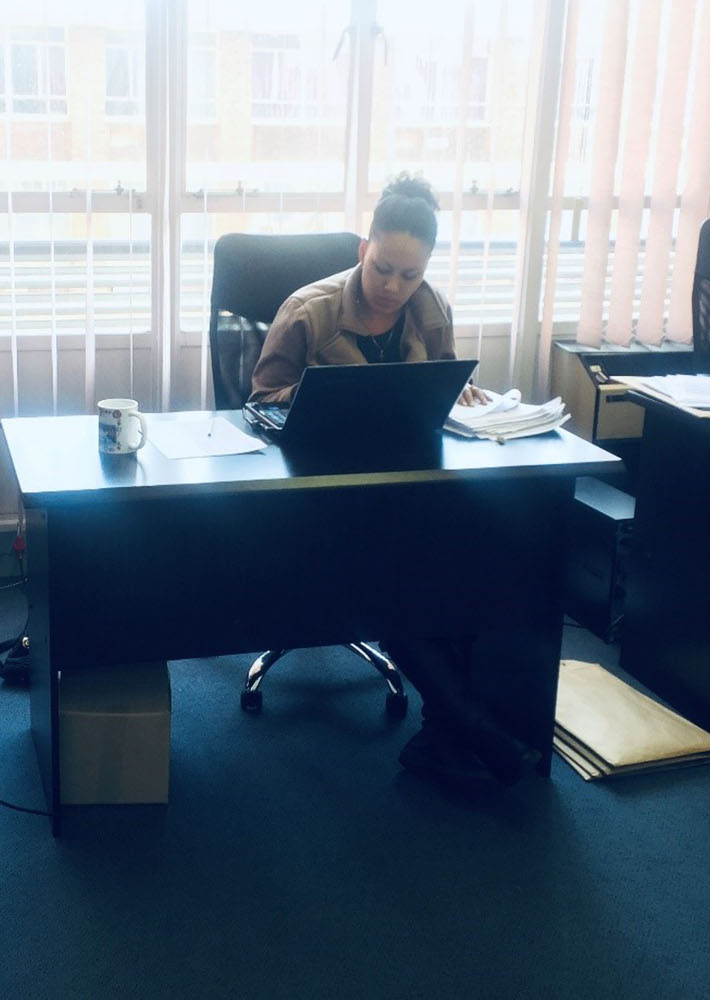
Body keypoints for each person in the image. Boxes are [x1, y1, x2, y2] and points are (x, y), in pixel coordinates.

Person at [249, 175, 538, 793]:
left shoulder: (431, 310)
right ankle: (468, 729)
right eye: (383, 268)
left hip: (408, 487)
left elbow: (439, 389)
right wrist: (319, 399)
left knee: (472, 552)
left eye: (410, 275)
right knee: (398, 569)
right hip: (320, 497)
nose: (393, 287)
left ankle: (446, 736)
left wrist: (462, 394)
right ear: (364, 249)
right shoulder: (308, 311)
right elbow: (259, 399)